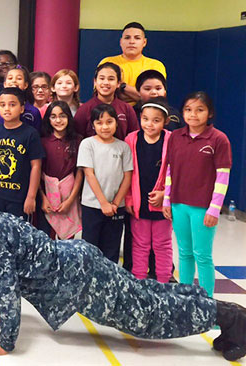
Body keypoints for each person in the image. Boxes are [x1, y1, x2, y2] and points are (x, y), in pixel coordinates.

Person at [0, 190, 246, 362]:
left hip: (81, 281)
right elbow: (20, 267)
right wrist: (2, 310)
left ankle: (230, 318)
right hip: (80, 259)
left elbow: (6, 285)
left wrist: (6, 341)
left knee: (148, 317)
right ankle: (218, 310)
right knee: (144, 294)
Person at [163, 91, 232, 297]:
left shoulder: (219, 139)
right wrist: (167, 199)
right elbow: (169, 169)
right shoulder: (175, 136)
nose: (193, 114)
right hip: (178, 204)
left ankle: (207, 304)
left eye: (200, 110)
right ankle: (185, 301)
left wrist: (215, 208)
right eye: (188, 110)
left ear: (209, 113)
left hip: (203, 207)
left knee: (202, 255)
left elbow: (223, 176)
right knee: (184, 253)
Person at [124, 97, 172, 283]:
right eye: (145, 119)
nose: (149, 124)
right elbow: (126, 173)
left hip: (162, 204)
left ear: (165, 122)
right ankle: (139, 281)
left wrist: (165, 195)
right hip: (138, 203)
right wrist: (129, 199)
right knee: (140, 244)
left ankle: (163, 283)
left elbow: (176, 171)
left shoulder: (171, 140)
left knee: (162, 244)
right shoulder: (131, 139)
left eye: (156, 120)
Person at [77, 104, 133, 263]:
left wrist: (115, 203)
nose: (105, 127)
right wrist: (103, 203)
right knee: (89, 248)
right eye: (99, 122)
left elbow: (127, 177)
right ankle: (89, 283)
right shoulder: (87, 144)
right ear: (93, 125)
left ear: (116, 123)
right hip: (92, 206)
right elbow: (89, 174)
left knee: (111, 248)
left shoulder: (123, 147)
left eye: (109, 122)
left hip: (116, 207)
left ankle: (110, 284)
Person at [0, 87, 44, 220]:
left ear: (22, 108)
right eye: (2, 105)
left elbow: (36, 166)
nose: (7, 109)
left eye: (12, 105)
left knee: (18, 237)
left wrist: (31, 196)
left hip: (20, 198)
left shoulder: (30, 134)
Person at [39, 101, 83, 240]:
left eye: (62, 116)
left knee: (67, 241)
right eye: (53, 116)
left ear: (69, 118)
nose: (58, 120)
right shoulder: (42, 142)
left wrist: (71, 200)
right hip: (47, 198)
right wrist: (43, 199)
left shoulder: (78, 140)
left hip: (70, 196)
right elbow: (37, 173)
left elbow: (79, 172)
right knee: (47, 240)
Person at [99, 22, 167, 104]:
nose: (131, 41)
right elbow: (102, 95)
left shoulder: (155, 65)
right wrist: (139, 96)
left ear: (144, 42)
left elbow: (154, 99)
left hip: (145, 113)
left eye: (137, 38)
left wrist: (123, 87)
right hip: (112, 112)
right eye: (127, 38)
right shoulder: (107, 62)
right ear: (121, 41)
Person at [74, 62, 139, 140]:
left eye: (111, 79)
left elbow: (134, 138)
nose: (106, 82)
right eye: (102, 78)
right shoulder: (84, 109)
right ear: (95, 82)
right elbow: (76, 139)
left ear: (118, 83)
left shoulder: (126, 108)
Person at [0, 66, 42, 133]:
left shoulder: (33, 112)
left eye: (19, 78)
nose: (14, 81)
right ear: (5, 84)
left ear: (25, 85)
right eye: (10, 78)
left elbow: (37, 136)